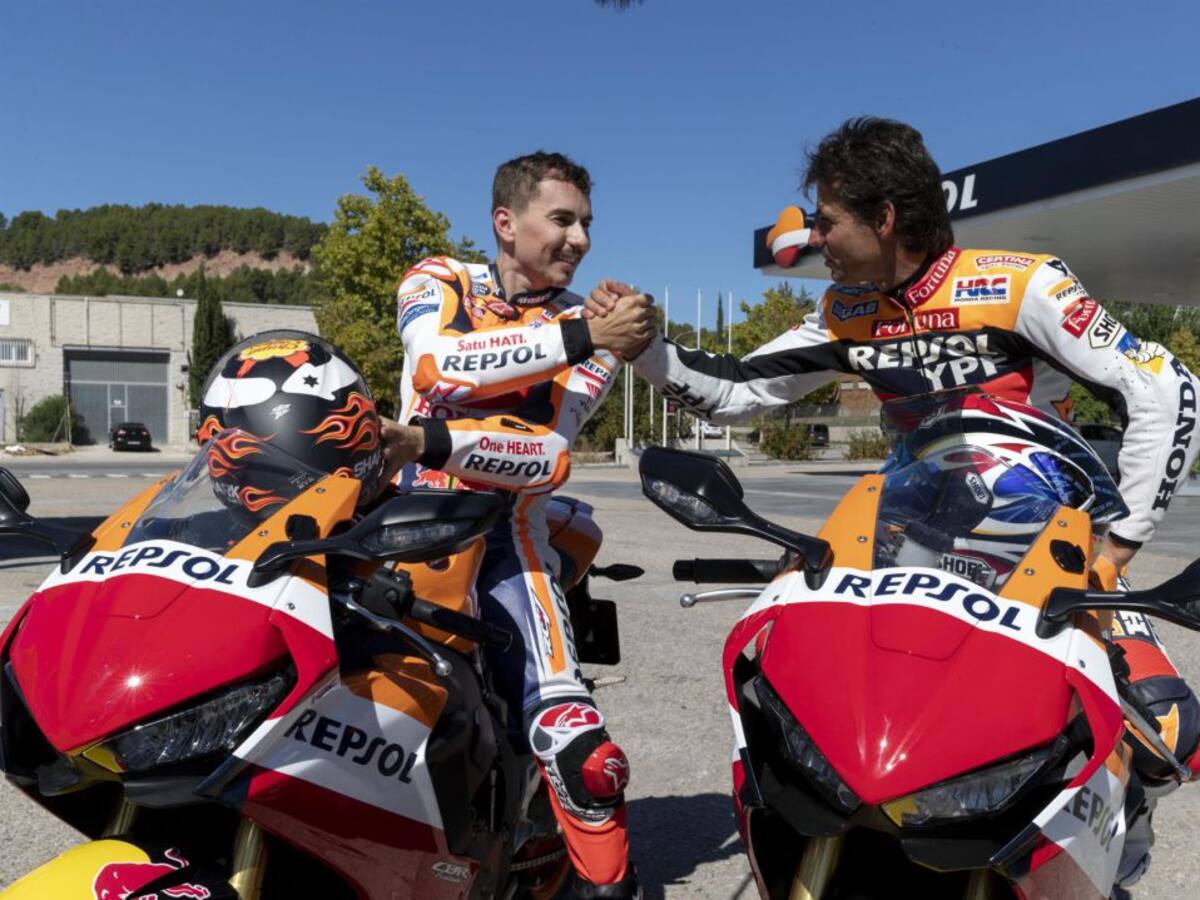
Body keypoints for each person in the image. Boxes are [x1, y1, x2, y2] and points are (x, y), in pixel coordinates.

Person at [588, 117, 1200, 891]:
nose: (815, 238)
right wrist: (645, 348)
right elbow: (739, 390)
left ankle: (1108, 856)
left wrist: (1117, 549)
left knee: (1169, 728)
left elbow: (1166, 388)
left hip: (1043, 545)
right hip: (906, 538)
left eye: (827, 221)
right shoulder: (846, 309)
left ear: (882, 218)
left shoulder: (1021, 284)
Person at [381, 151, 653, 898]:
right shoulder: (437, 278)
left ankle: (608, 882)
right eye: (562, 219)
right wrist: (582, 337)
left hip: (510, 538)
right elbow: (439, 365)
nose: (581, 239)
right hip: (400, 524)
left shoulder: (592, 325)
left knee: (583, 755)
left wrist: (427, 441)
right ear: (506, 222)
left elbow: (546, 456)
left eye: (587, 223)